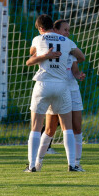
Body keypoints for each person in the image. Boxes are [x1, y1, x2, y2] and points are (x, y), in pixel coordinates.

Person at [24, 14, 84, 172]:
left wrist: (45, 54)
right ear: (53, 26)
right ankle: (72, 164)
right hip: (62, 85)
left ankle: (32, 165)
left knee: (36, 127)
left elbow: (31, 53)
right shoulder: (67, 41)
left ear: (40, 28)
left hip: (43, 84)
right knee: (67, 127)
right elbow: (80, 56)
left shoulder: (38, 39)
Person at [43, 20, 86, 171]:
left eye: (69, 30)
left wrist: (78, 75)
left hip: (72, 89)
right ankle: (35, 162)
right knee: (50, 129)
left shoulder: (69, 47)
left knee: (77, 127)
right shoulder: (48, 45)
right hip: (56, 89)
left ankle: (76, 162)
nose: (67, 33)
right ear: (55, 30)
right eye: (65, 30)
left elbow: (75, 67)